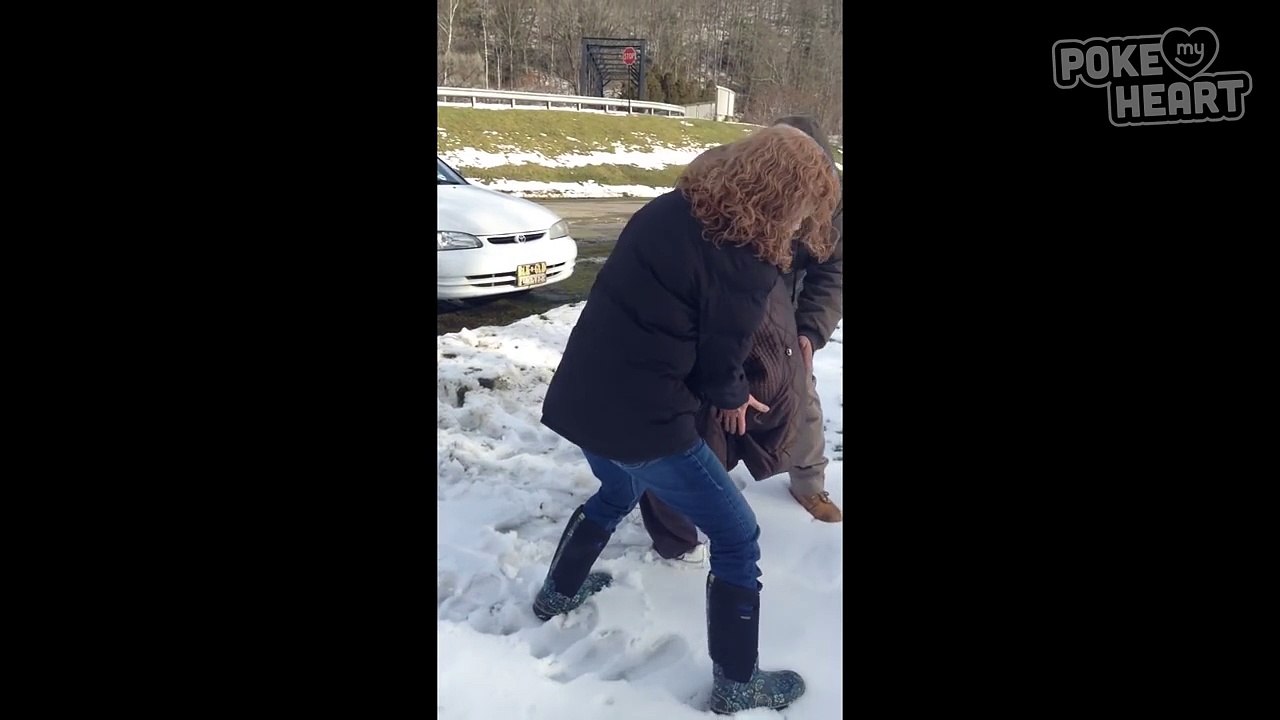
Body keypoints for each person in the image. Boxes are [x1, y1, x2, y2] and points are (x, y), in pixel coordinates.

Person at [534, 125, 841, 714]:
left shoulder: (671, 208)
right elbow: (720, 364)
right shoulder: (747, 260)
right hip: (645, 420)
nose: (805, 220)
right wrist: (734, 396)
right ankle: (737, 683)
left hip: (582, 395)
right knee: (738, 536)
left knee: (616, 490)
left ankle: (555, 596)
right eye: (806, 205)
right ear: (784, 194)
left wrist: (725, 387)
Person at [637, 115, 845, 565]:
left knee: (799, 396)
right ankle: (683, 518)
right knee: (699, 410)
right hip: (719, 306)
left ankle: (808, 483)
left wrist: (810, 330)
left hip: (783, 312)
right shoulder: (720, 181)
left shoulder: (833, 196)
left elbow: (833, 269)